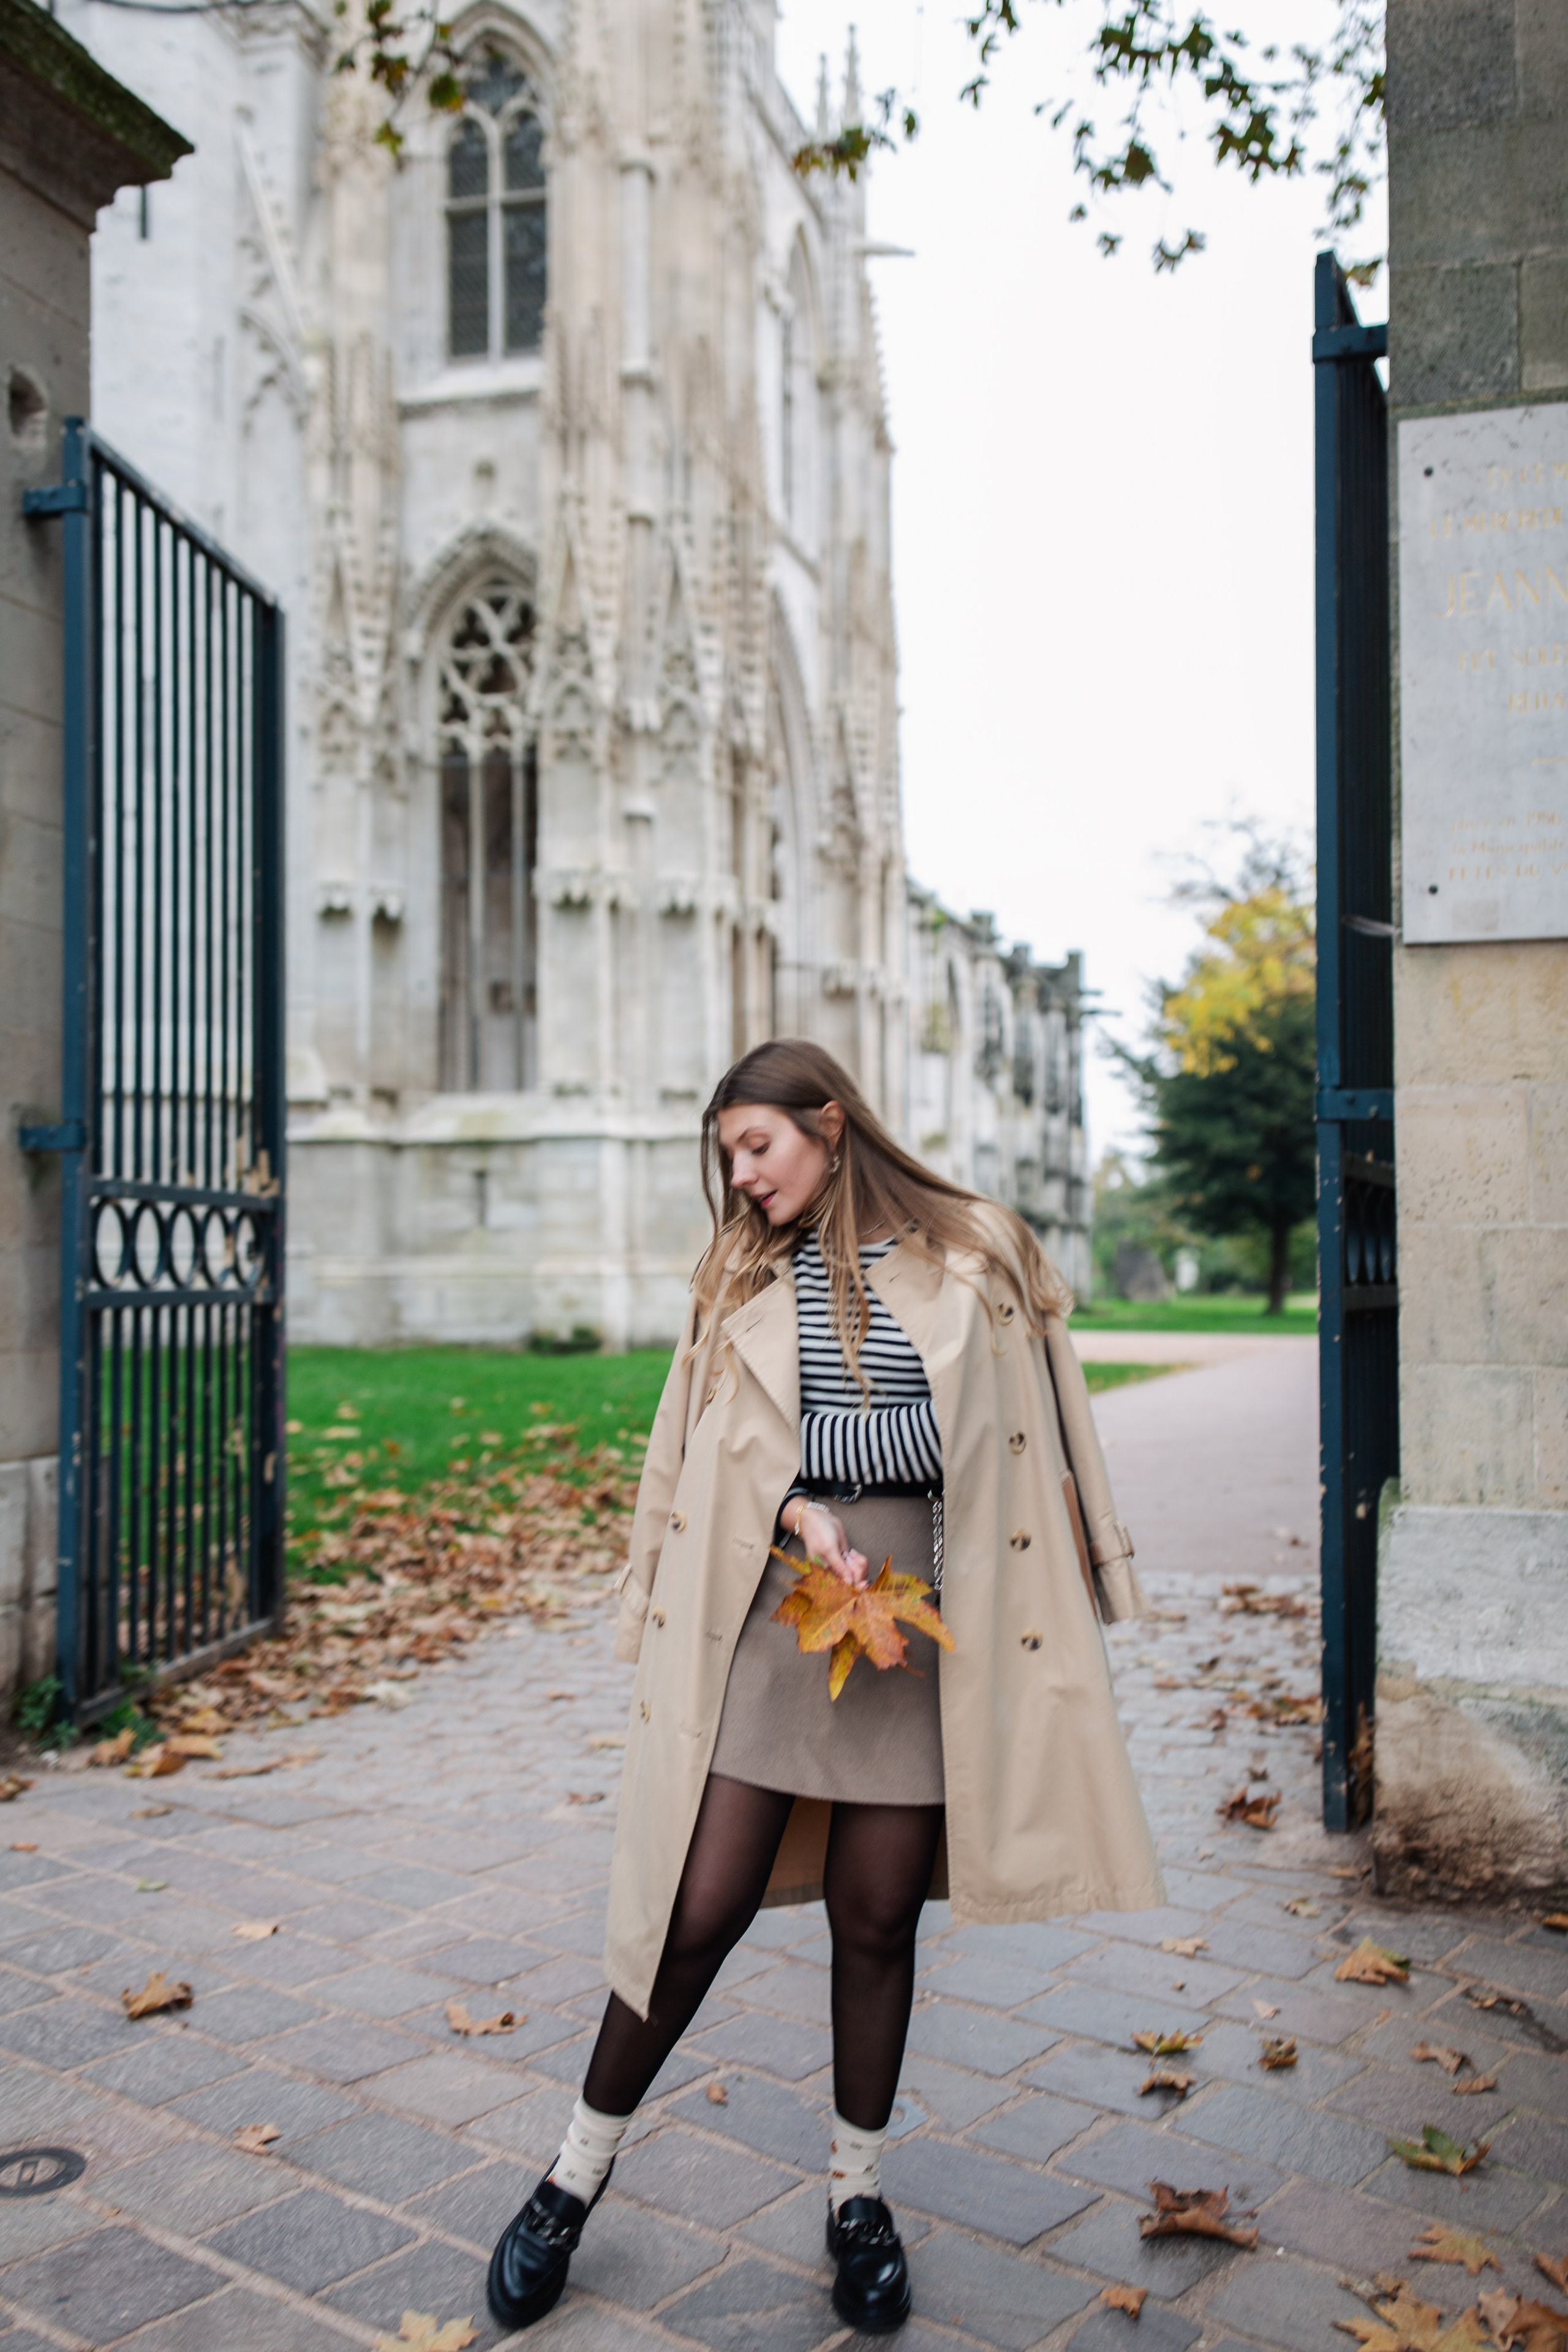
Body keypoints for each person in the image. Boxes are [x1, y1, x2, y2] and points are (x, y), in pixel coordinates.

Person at [488, 1039, 1160, 2337]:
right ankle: (570, 2179)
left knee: (877, 1918)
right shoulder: (743, 1269)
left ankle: (858, 2200)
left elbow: (1039, 1426)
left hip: (925, 1610)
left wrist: (1095, 1572)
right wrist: (795, 1508)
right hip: (782, 1599)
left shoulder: (979, 1249)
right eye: (730, 1154)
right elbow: (690, 1448)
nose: (743, 1175)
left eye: (759, 1145)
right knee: (695, 1910)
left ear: (830, 1125)